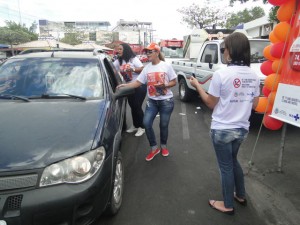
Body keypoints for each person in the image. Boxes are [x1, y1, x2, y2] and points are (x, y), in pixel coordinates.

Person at [190, 32, 260, 215]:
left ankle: (228, 204)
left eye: (224, 49)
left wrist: (197, 85)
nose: (223, 52)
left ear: (231, 51)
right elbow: (255, 104)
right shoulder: (253, 76)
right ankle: (241, 195)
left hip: (222, 129)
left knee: (226, 167)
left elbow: (210, 103)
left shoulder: (221, 75)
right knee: (233, 161)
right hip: (242, 129)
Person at [117, 43, 177, 161]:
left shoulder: (166, 66)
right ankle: (154, 148)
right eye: (146, 52)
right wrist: (126, 85)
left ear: (157, 52)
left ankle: (163, 146)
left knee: (163, 125)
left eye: (150, 52)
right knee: (147, 123)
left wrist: (165, 84)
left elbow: (174, 82)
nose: (147, 54)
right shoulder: (147, 68)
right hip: (152, 102)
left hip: (166, 101)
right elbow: (137, 83)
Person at [113, 43, 146, 137]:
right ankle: (135, 125)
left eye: (120, 49)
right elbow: (112, 70)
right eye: (117, 49)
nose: (118, 51)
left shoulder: (133, 59)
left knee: (137, 106)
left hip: (139, 85)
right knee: (132, 106)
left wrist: (133, 69)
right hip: (128, 86)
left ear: (126, 50)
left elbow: (142, 69)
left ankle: (142, 127)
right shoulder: (118, 61)